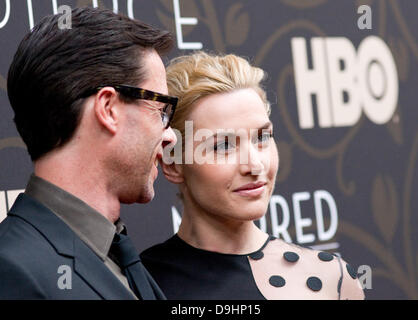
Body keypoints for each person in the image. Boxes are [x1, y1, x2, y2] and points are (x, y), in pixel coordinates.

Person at [140, 51, 365, 300]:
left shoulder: (331, 280)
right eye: (223, 146)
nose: (255, 164)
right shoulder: (141, 285)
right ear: (173, 164)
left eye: (262, 137)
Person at [0, 7, 177, 300]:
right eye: (160, 111)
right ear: (108, 109)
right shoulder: (14, 271)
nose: (170, 135)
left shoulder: (118, 254)